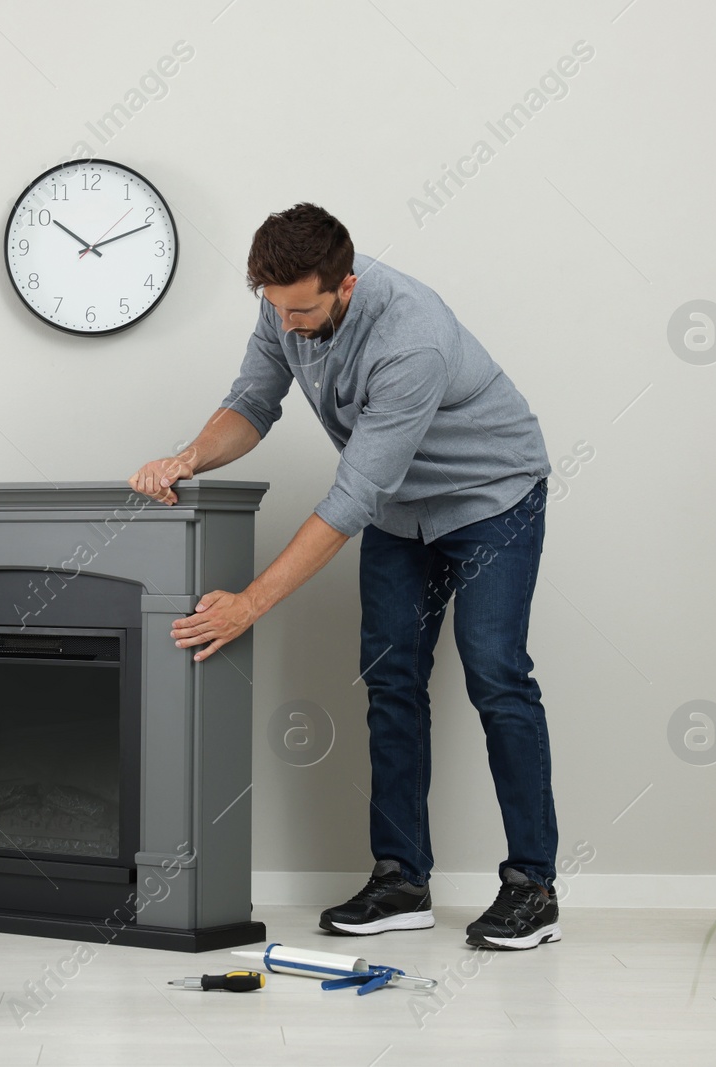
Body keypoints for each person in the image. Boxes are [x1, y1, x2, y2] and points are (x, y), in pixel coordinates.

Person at [128, 203, 561, 951]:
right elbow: (252, 404)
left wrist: (250, 604)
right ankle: (401, 878)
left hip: (491, 497)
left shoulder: (410, 339)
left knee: (495, 672)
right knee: (391, 678)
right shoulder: (282, 305)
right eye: (276, 309)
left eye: (303, 310)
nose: (288, 324)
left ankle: (533, 886)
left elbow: (352, 497)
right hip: (403, 512)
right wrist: (189, 457)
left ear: (346, 286)